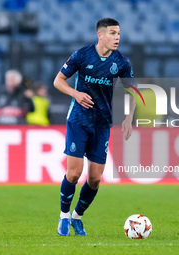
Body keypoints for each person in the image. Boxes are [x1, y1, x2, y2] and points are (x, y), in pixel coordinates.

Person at [53, 18, 136, 236]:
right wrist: (76, 93)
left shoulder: (122, 62)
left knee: (95, 178)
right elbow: (58, 81)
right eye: (112, 33)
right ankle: (63, 216)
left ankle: (77, 217)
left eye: (118, 33)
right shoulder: (82, 55)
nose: (117, 37)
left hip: (102, 124)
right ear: (100, 35)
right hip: (79, 120)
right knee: (74, 173)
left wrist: (128, 117)